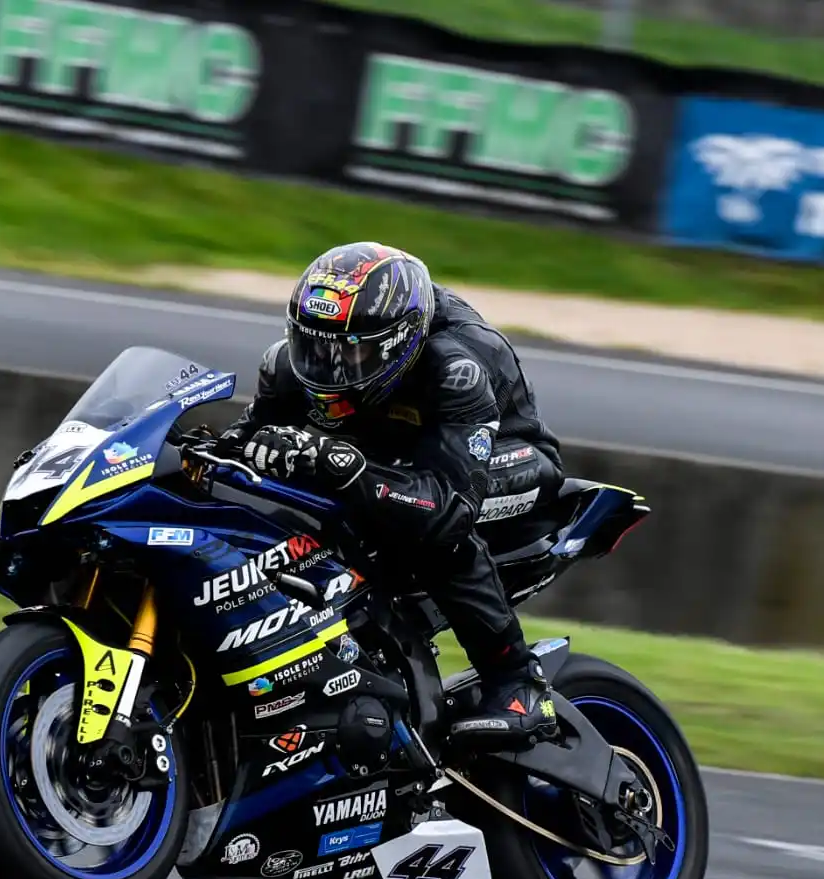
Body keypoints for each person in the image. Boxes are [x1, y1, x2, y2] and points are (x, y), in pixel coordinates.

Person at [219, 242, 565, 751]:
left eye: (348, 352)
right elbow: (247, 441)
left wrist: (342, 463)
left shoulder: (455, 368)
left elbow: (446, 505)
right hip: (398, 452)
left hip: (503, 461)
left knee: (429, 526)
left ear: (396, 344)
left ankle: (518, 682)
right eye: (314, 346)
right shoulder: (288, 368)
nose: (326, 369)